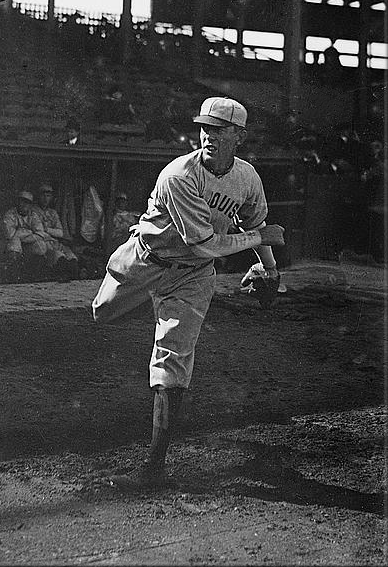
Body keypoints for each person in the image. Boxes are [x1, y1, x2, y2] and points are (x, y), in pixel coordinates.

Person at [92, 96, 285, 491]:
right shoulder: (179, 175)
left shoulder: (247, 177)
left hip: (192, 277)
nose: (209, 135)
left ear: (240, 136)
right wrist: (258, 239)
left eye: (220, 129)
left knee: (172, 360)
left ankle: (154, 468)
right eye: (205, 127)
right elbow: (206, 243)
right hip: (146, 259)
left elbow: (255, 221)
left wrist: (268, 266)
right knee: (103, 313)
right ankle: (149, 308)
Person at [0, 191, 48, 279]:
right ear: (18, 202)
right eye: (22, 201)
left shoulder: (33, 215)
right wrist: (29, 232)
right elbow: (10, 235)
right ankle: (13, 273)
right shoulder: (10, 214)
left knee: (41, 245)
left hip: (25, 244)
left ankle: (33, 273)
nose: (24, 204)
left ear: (30, 205)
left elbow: (41, 234)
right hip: (6, 245)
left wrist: (22, 234)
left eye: (27, 202)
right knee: (14, 243)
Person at [32, 184, 79, 280]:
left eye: (48, 196)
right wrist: (48, 231)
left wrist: (48, 229)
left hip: (54, 241)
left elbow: (60, 232)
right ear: (39, 196)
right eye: (43, 196)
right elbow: (37, 230)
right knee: (58, 257)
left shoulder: (52, 213)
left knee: (72, 258)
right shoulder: (33, 211)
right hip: (42, 242)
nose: (45, 199)